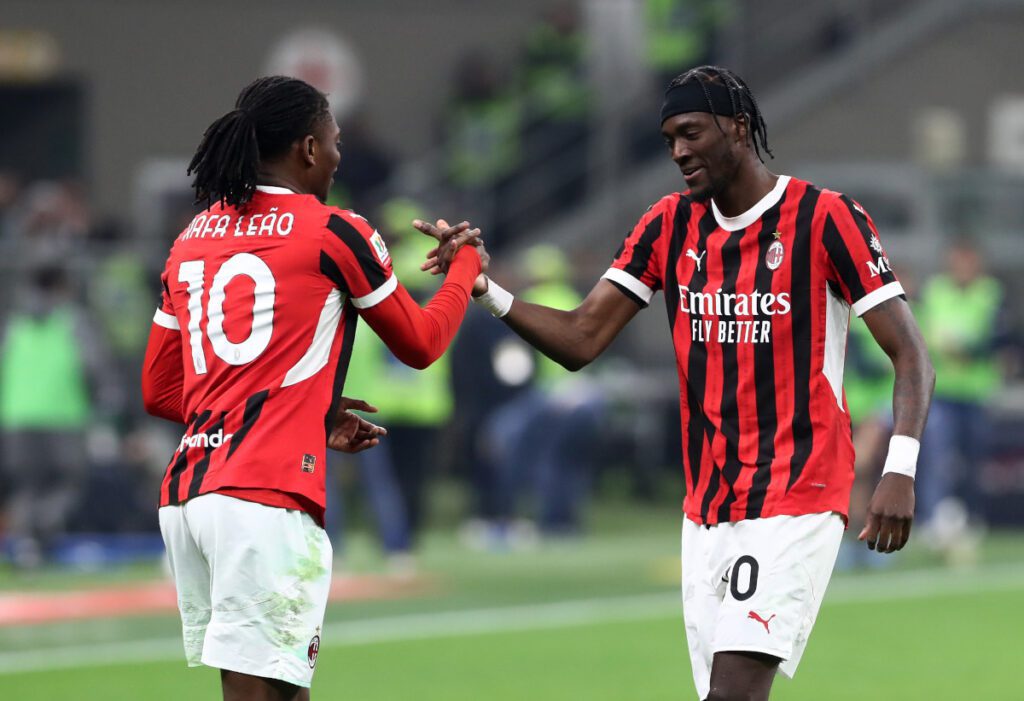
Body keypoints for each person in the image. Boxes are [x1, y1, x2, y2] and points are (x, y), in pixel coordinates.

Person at [420, 65, 934, 700]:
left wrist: (899, 469)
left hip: (797, 490)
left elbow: (911, 353)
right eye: (668, 140)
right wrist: (484, 290)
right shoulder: (669, 224)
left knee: (733, 693)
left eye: (690, 132)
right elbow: (582, 337)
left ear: (738, 127)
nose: (679, 151)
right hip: (708, 506)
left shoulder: (825, 218)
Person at [140, 76, 485, 701]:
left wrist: (309, 414)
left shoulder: (191, 238)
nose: (337, 155)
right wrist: (465, 266)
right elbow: (423, 344)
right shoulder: (334, 230)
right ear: (306, 148)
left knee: (283, 689)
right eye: (334, 142)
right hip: (262, 498)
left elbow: (161, 391)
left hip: (189, 497)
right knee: (256, 692)